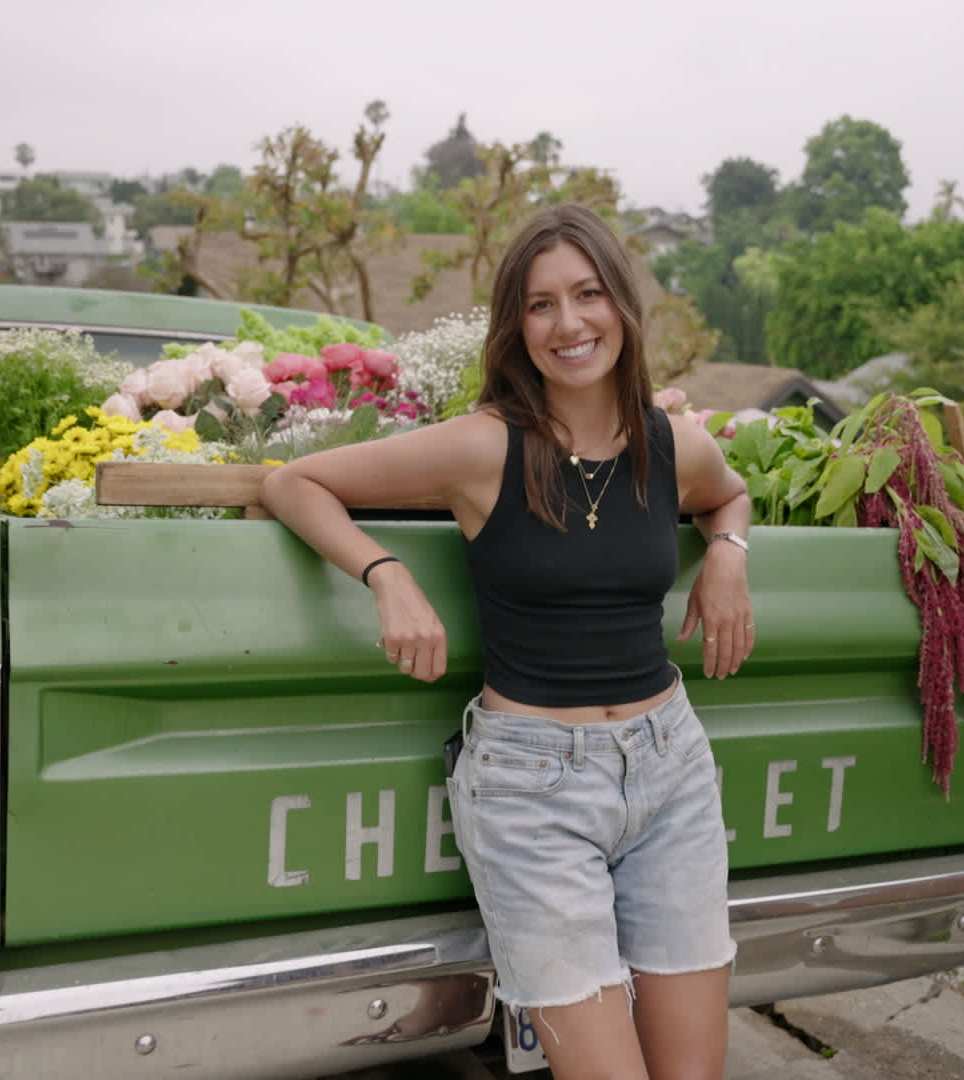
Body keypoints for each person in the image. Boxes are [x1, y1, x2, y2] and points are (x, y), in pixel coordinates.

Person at [260, 203, 753, 1080]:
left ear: (622, 309)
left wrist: (726, 554)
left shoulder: (673, 444)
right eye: (540, 305)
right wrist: (388, 575)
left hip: (672, 768)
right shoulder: (483, 448)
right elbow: (294, 482)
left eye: (588, 295)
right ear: (515, 327)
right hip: (534, 793)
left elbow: (732, 493)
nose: (568, 325)